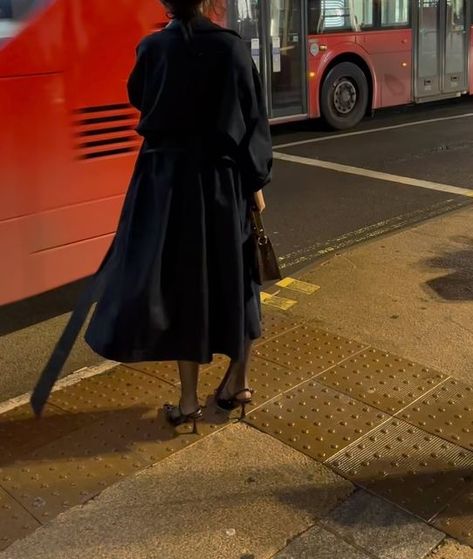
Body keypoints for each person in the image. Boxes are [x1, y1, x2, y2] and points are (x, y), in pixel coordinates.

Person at [84, 0, 272, 433]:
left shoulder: (151, 49)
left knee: (183, 286)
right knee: (240, 279)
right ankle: (239, 385)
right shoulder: (231, 48)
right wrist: (255, 183)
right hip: (222, 185)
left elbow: (140, 97)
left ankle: (188, 403)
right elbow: (252, 121)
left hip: (166, 186)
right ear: (210, 1)